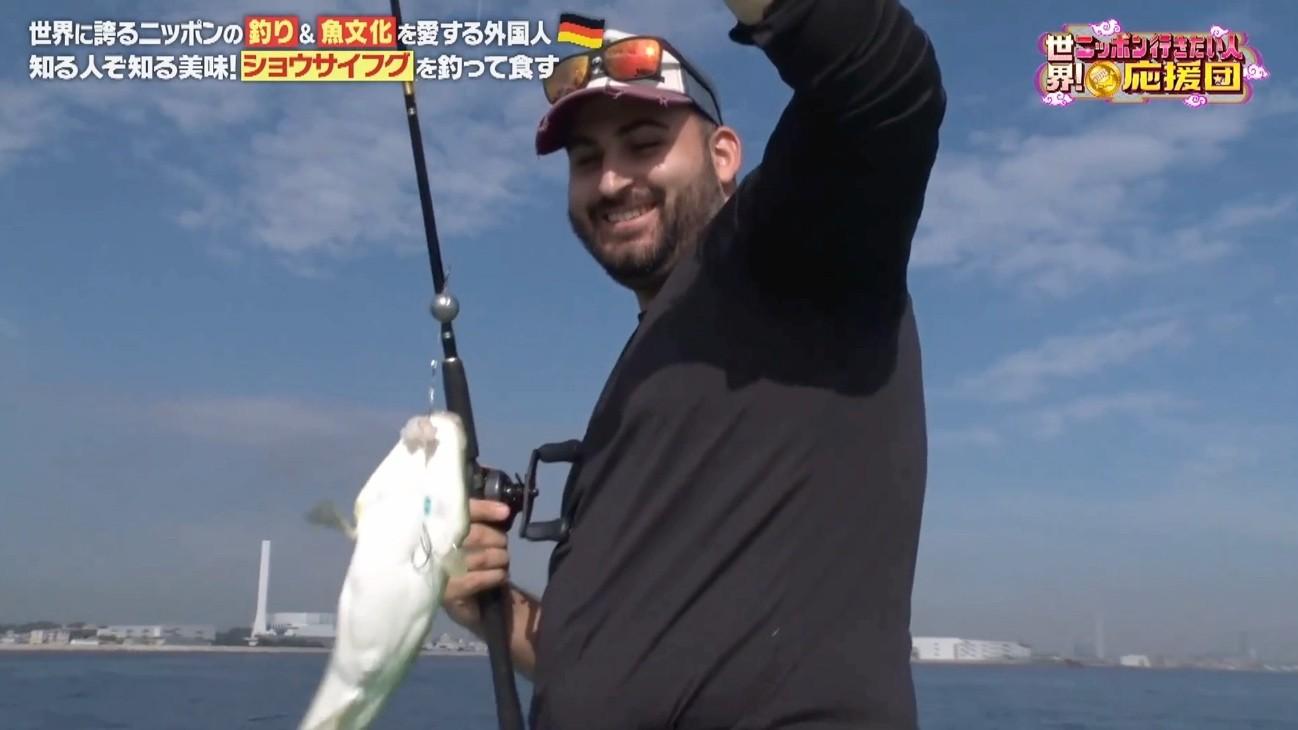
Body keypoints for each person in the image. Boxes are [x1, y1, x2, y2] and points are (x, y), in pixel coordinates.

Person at [442, 0, 946, 726]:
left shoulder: (793, 254)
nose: (612, 180)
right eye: (587, 160)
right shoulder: (645, 381)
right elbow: (614, 662)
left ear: (724, 157)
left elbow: (885, 82)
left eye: (644, 143)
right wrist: (493, 609)